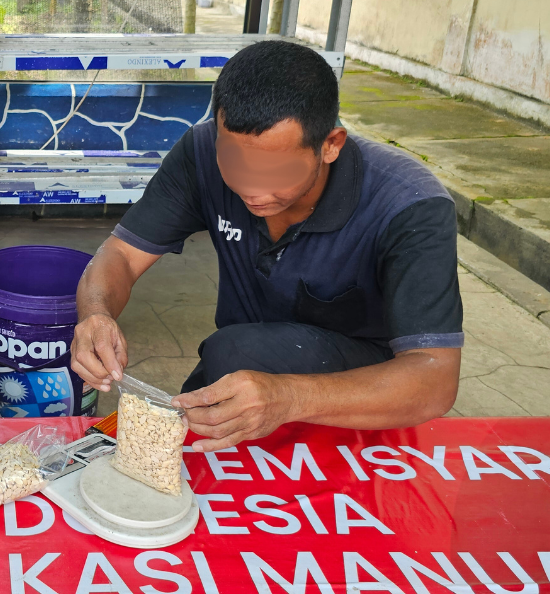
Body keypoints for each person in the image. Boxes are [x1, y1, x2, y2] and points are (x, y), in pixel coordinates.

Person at [72, 41, 463, 452]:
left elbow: (434, 380)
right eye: (235, 161)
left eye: (277, 169)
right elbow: (119, 255)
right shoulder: (201, 152)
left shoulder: (409, 204)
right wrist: (96, 314)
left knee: (236, 354)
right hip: (248, 359)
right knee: (207, 404)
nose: (252, 188)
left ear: (330, 144)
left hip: (368, 381)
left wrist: (286, 397)